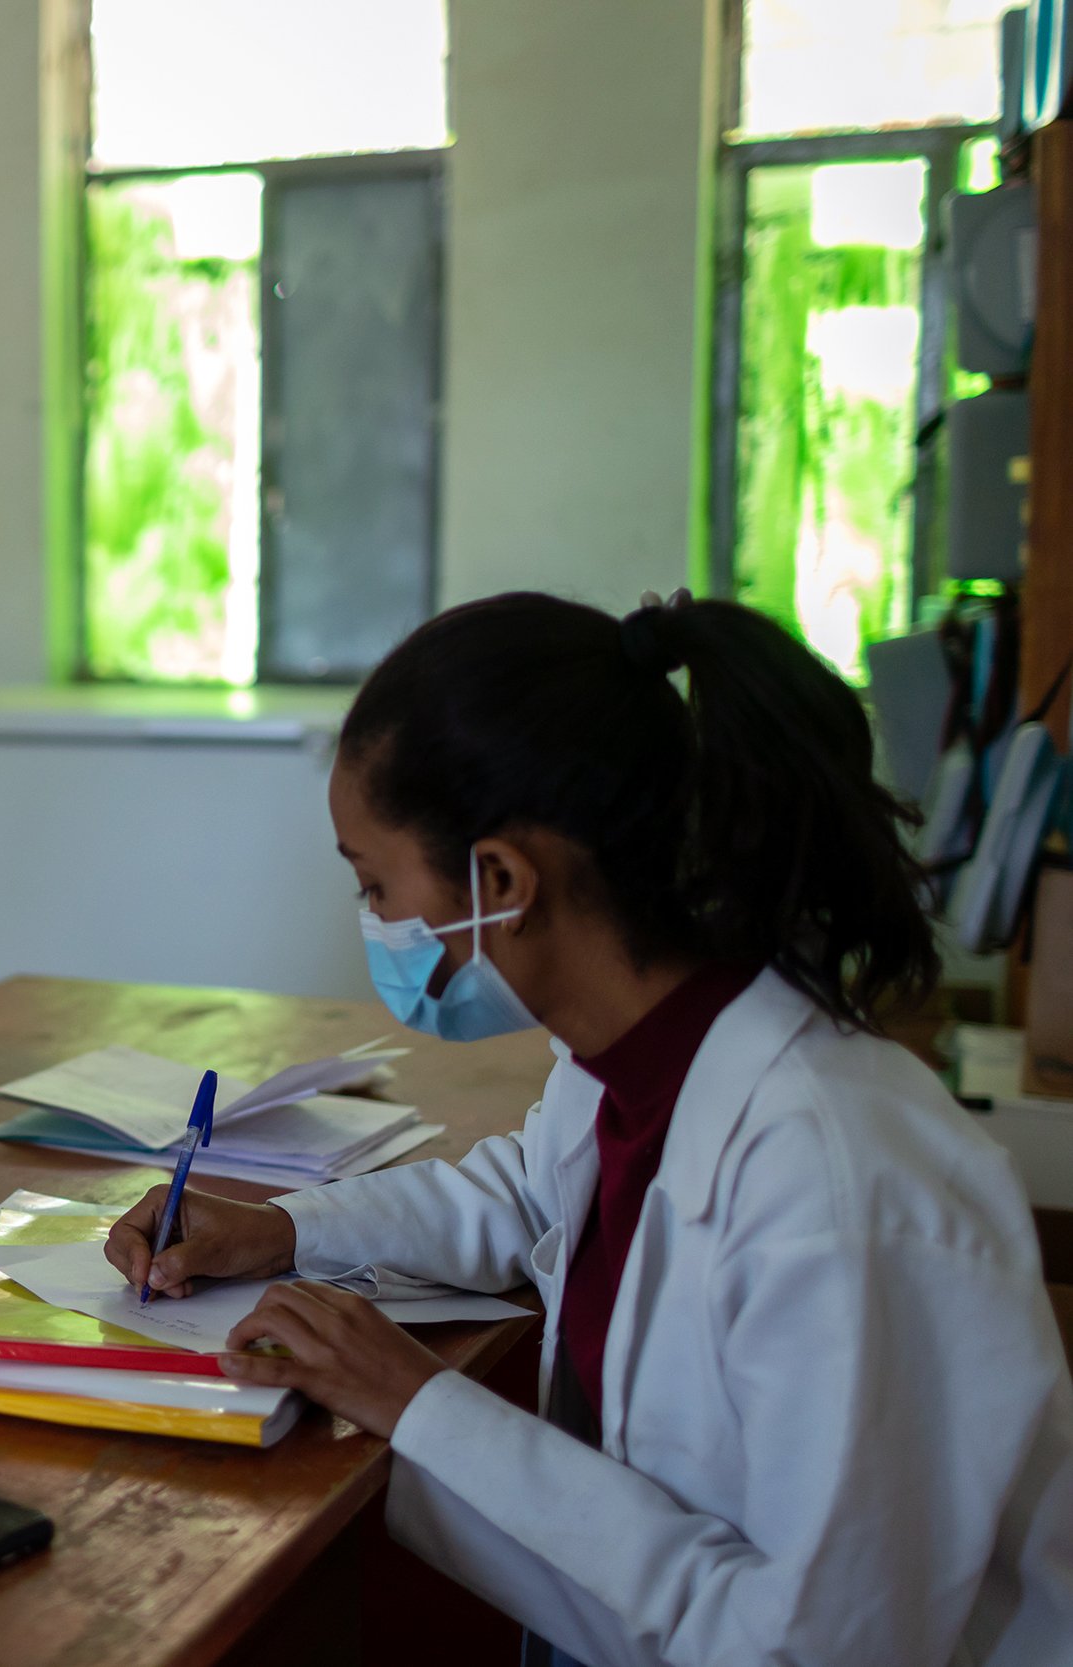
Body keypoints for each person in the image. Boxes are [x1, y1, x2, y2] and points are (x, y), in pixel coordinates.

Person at [105, 592, 1073, 1666]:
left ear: (503, 880)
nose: (374, 922)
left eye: (375, 884)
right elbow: (529, 1191)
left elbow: (813, 1650)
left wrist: (414, 1397)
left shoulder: (839, 1186)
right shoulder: (636, 1052)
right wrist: (276, 1230)